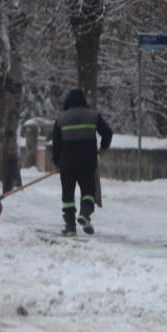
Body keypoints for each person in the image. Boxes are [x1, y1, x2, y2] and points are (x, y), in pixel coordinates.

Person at [49, 88, 113, 235]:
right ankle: (85, 213)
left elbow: (56, 144)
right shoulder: (93, 116)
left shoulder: (61, 119)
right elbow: (108, 132)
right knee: (88, 192)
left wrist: (57, 162)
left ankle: (70, 226)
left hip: (67, 163)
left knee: (68, 195)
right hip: (87, 162)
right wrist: (103, 148)